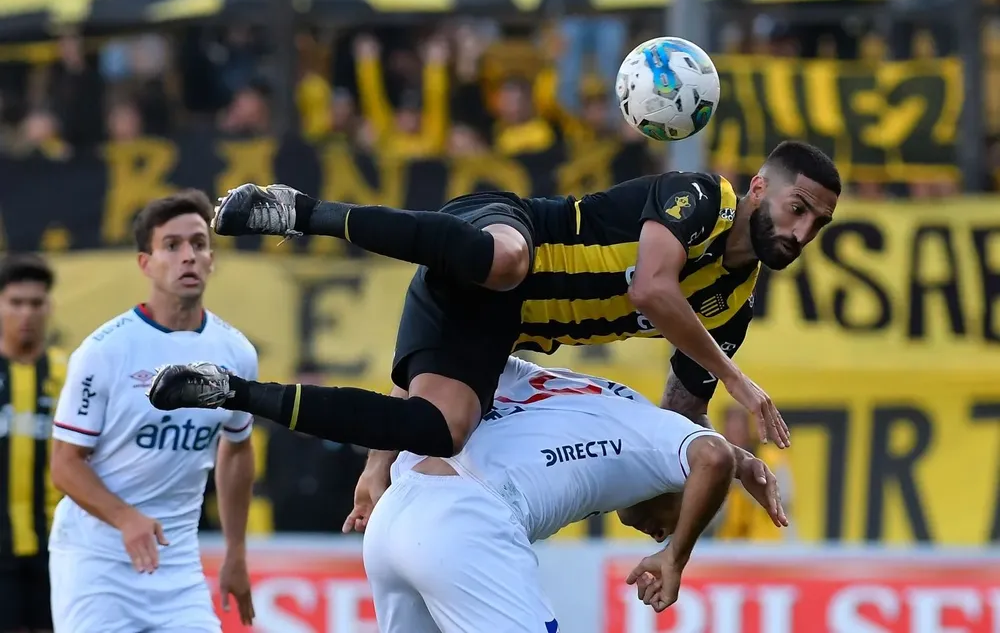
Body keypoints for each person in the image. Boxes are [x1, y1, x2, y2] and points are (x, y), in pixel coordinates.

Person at [155, 141, 838, 500]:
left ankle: (227, 390)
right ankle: (301, 212)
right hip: (497, 227)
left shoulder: (732, 304)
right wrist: (742, 382)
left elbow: (677, 420)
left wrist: (706, 474)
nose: (802, 231)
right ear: (758, 187)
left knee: (442, 429)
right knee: (509, 260)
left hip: (480, 321)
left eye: (818, 223)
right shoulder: (703, 196)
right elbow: (652, 291)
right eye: (797, 208)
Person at [153, 356, 785, 630]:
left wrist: (377, 466)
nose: (646, 529)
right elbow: (706, 455)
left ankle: (241, 390)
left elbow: (429, 368)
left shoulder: (582, 390)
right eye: (664, 520)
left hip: (397, 515)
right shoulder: (659, 439)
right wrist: (676, 551)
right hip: (466, 526)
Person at [47, 191, 258, 633]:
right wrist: (126, 519)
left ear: (212, 258)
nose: (188, 257)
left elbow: (237, 449)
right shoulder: (103, 351)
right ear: (146, 263)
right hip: (96, 561)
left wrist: (236, 552)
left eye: (199, 244)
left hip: (176, 563)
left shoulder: (236, 352)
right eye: (172, 245)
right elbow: (65, 464)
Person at [0, 255, 65, 633]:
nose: (26, 313)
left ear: (50, 307)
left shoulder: (69, 374)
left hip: (55, 551)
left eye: (36, 303)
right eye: (16, 302)